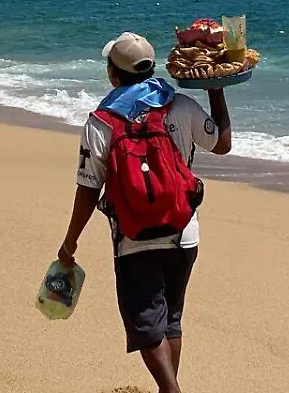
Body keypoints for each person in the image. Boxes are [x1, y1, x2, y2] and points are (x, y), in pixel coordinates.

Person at [57, 33, 231, 393]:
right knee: (170, 320)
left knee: (146, 321)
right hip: (184, 232)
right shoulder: (180, 105)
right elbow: (222, 143)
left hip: (133, 239)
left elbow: (89, 188)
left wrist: (69, 243)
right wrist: (216, 88)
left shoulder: (100, 123)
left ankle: (171, 391)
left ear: (114, 75)